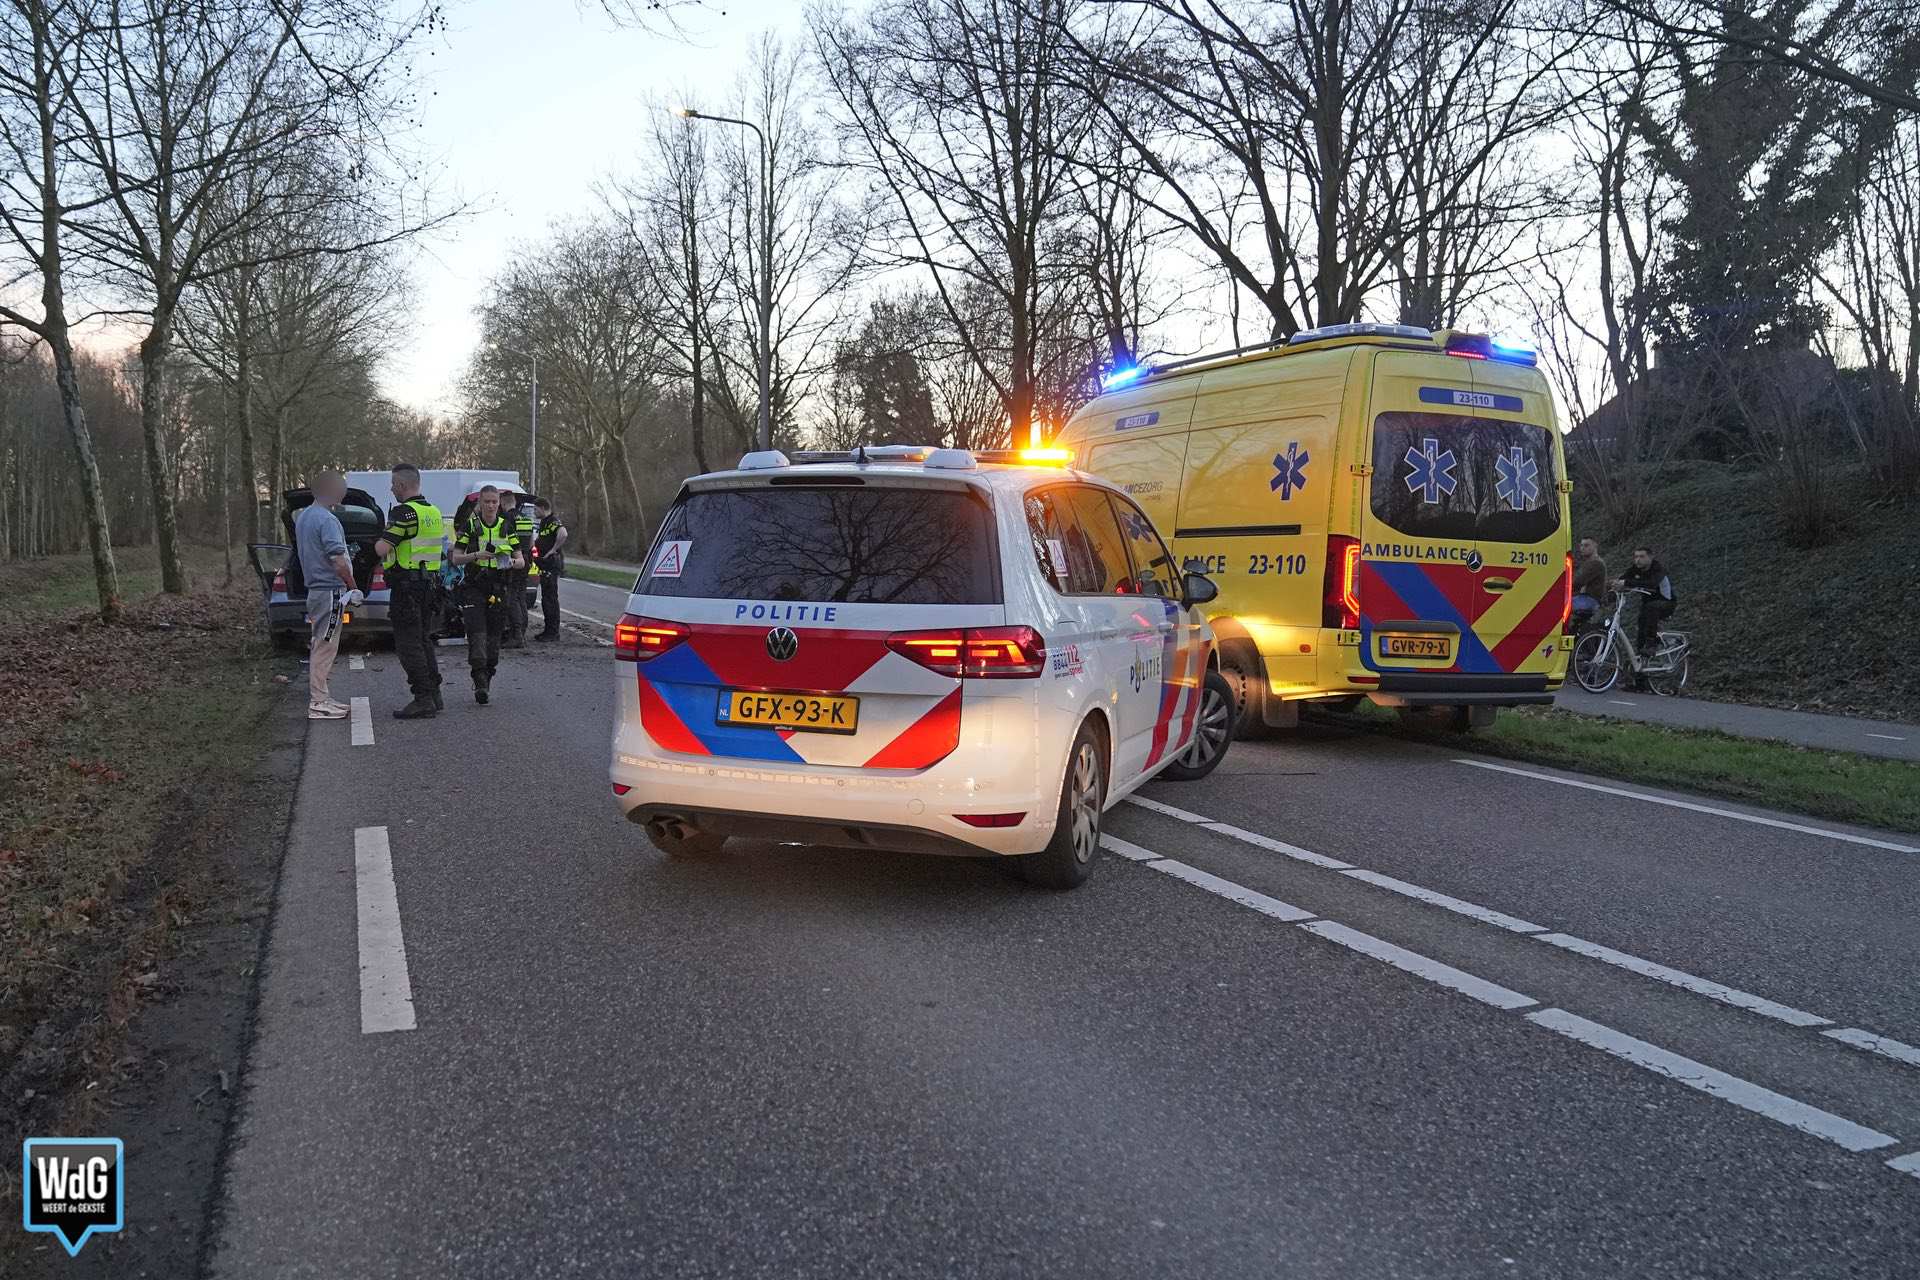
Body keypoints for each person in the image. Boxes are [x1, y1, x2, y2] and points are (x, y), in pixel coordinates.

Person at [374, 463, 446, 719]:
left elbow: (382, 549)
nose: (392, 489)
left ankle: (423, 698)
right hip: (429, 586)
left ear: (403, 485)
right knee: (423, 640)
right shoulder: (433, 511)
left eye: (393, 484)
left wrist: (377, 538)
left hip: (407, 587)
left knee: (408, 645)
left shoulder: (404, 513)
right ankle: (434, 694)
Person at [293, 471, 361, 720]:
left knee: (320, 643)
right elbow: (338, 560)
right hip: (330, 590)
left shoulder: (304, 516)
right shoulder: (327, 520)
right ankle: (319, 702)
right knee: (325, 646)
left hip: (316, 590)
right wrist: (352, 587)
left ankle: (322, 696)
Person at [450, 485, 523, 704]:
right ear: (480, 504)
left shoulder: (507, 527)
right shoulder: (471, 526)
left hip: (499, 588)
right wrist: (476, 555)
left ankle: (487, 675)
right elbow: (456, 558)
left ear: (499, 503)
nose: (490, 506)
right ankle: (479, 679)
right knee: (477, 636)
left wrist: (510, 562)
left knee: (493, 641)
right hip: (474, 588)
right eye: (486, 502)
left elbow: (521, 560)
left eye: (494, 502)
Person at [1614, 545, 1676, 677]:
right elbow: (1623, 579)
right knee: (1641, 631)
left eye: (1642, 556)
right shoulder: (1635, 569)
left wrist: (1628, 583)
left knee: (1651, 609)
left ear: (1650, 557)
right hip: (1647, 606)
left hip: (1666, 603)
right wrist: (1615, 585)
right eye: (1636, 557)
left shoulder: (1658, 569)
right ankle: (1640, 674)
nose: (1638, 560)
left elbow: (1651, 583)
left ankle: (1651, 644)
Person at [498, 488, 536, 648]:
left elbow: (502, 540)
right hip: (526, 559)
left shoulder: (506, 519)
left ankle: (516, 634)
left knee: (511, 597)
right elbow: (532, 542)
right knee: (521, 596)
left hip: (513, 560)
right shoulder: (526, 519)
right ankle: (522, 631)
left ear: (502, 503)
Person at [531, 496, 569, 640]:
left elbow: (563, 533)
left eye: (535, 509)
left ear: (542, 508)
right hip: (545, 564)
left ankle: (552, 632)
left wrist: (553, 550)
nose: (534, 512)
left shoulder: (553, 521)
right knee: (547, 598)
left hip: (551, 564)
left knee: (550, 599)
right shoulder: (544, 522)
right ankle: (549, 630)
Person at [1571, 536, 1606, 629]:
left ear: (1595, 546)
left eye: (1586, 545)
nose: (1582, 548)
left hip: (1589, 600)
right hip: (1585, 598)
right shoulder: (1590, 562)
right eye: (1581, 545)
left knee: (1556, 605)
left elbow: (1577, 582)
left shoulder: (1595, 563)